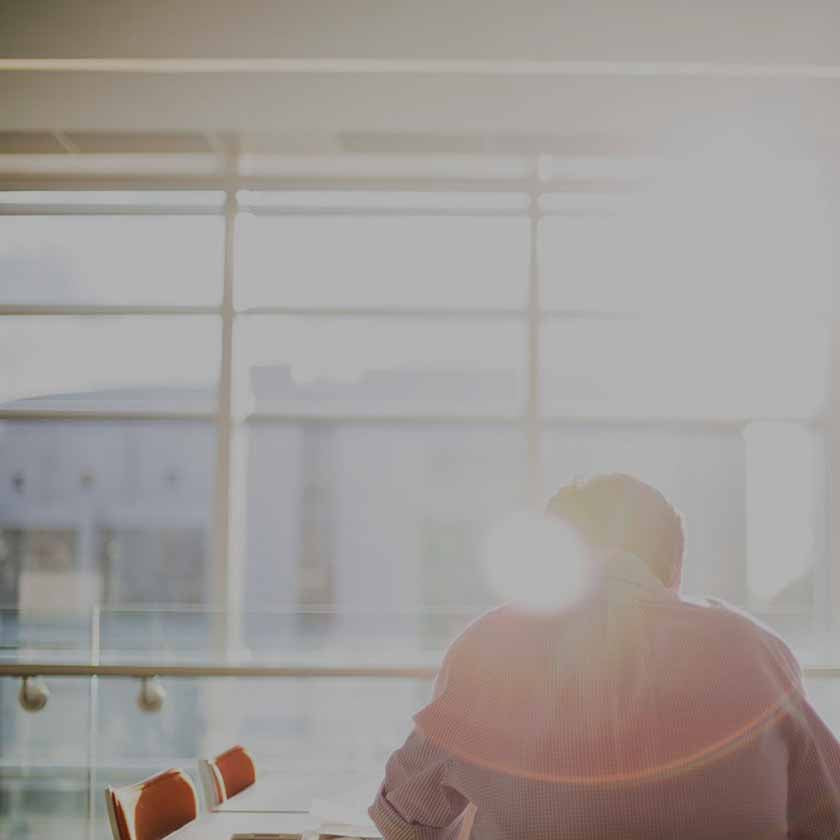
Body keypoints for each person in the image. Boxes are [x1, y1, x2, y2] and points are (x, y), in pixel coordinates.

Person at [369, 473, 840, 839]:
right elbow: (827, 815)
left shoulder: (492, 644)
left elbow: (405, 819)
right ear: (674, 568)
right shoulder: (753, 648)